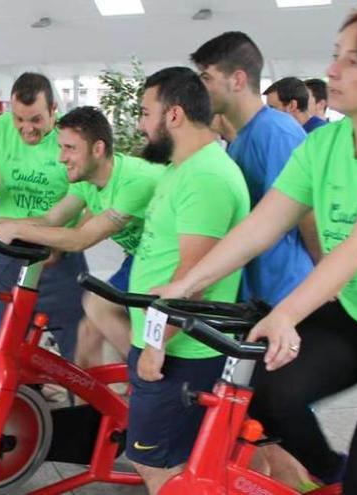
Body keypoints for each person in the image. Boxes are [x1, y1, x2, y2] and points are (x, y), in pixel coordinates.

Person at [156, 10, 357, 495]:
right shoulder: (323, 145)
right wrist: (186, 284)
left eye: (352, 61)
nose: (332, 71)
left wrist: (286, 313)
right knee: (262, 391)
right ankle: (330, 472)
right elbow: (262, 224)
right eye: (334, 56)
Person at [126, 67, 250, 494]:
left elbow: (192, 279)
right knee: (157, 462)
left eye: (146, 112)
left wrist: (157, 343)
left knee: (162, 469)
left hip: (183, 348)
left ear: (173, 115)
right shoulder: (183, 169)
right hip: (164, 338)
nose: (141, 123)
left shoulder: (207, 177)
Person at [0, 106, 163, 368]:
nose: (61, 157)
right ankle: (89, 406)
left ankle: (145, 377)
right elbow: (49, 219)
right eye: (60, 147)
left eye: (70, 148)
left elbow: (81, 239)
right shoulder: (86, 179)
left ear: (98, 149)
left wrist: (14, 230)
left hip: (167, 260)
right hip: (140, 257)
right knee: (87, 334)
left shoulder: (133, 181)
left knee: (97, 308)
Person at [0, 72, 87, 362]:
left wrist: (58, 244)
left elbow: (83, 204)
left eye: (36, 120)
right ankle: (22, 400)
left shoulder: (71, 138)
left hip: (57, 253)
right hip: (9, 253)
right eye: (19, 119)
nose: (26, 129)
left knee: (75, 347)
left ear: (54, 110)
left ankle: (78, 404)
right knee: (10, 344)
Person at [191, 32, 318, 306]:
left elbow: (308, 213)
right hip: (257, 292)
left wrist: (325, 279)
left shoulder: (277, 132)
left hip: (287, 291)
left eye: (206, 78)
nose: (201, 89)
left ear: (237, 79)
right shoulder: (241, 140)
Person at [263, 77, 327, 133]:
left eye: (273, 108)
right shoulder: (293, 131)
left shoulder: (320, 133)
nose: (269, 113)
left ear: (292, 106)